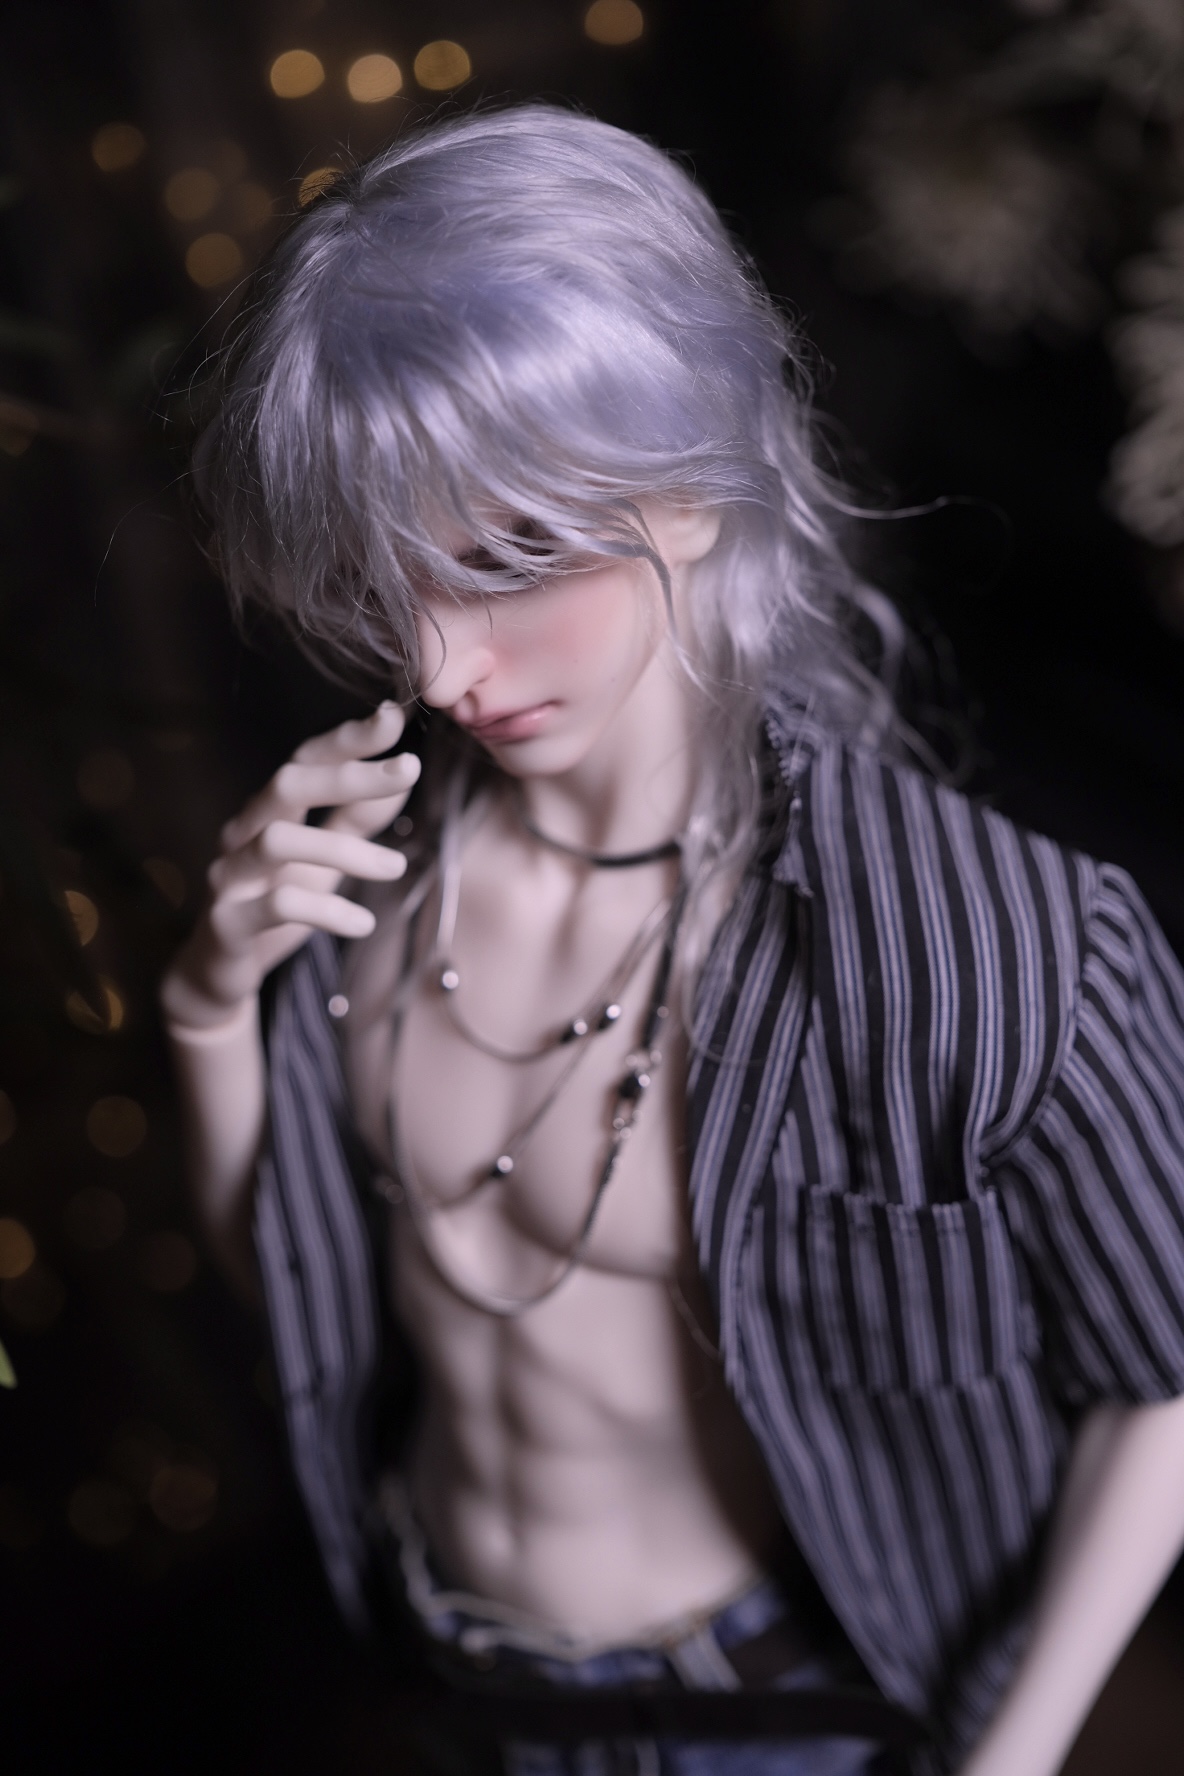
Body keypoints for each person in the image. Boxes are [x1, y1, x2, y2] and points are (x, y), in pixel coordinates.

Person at [160, 105, 1184, 1776]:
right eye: (388, 580)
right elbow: (298, 1288)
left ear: (694, 491)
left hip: (772, 1710)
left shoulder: (984, 942)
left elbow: (1167, 1371)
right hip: (448, 1672)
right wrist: (212, 1009)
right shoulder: (366, 869)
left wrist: (1016, 1755)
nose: (439, 667)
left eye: (510, 558)